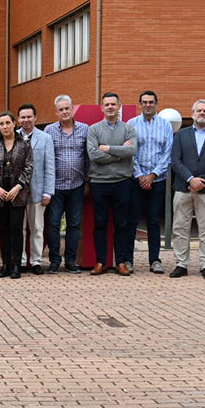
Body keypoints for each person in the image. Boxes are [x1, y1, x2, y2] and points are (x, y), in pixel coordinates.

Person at [170, 99, 205, 280]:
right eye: (199, 110)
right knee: (180, 227)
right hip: (183, 187)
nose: (202, 113)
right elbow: (175, 161)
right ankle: (181, 264)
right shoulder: (181, 135)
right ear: (192, 113)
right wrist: (190, 179)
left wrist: (202, 181)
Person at [86, 92, 137, 276]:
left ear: (119, 106)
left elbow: (131, 151)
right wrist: (119, 153)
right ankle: (101, 261)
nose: (110, 107)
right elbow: (93, 155)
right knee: (100, 223)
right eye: (106, 104)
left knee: (122, 223)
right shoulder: (94, 129)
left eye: (113, 104)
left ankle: (121, 262)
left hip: (122, 182)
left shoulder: (128, 128)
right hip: (99, 183)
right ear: (102, 107)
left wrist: (107, 148)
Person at [127, 90, 173, 274]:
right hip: (136, 180)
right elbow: (130, 153)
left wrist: (153, 175)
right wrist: (140, 176)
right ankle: (128, 261)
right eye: (144, 102)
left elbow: (168, 152)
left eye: (151, 102)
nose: (148, 105)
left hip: (158, 180)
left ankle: (155, 260)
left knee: (154, 221)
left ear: (156, 103)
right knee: (132, 221)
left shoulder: (166, 125)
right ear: (140, 104)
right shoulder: (131, 125)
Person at [45, 95, 89, 274]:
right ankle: (54, 260)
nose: (64, 112)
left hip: (77, 185)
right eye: (60, 109)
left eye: (67, 108)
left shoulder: (85, 129)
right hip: (55, 186)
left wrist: (88, 181)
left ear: (72, 109)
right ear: (56, 112)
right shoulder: (49, 130)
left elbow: (88, 157)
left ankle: (70, 261)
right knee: (53, 223)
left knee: (74, 224)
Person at [0, 111, 34, 279]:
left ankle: (17, 265)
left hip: (17, 193)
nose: (5, 126)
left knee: (16, 229)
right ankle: (5, 264)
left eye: (8, 123)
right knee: (4, 230)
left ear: (14, 123)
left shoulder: (25, 144)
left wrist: (18, 187)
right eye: (1, 124)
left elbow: (29, 167)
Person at [17, 104, 54, 274]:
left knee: (37, 228)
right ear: (18, 119)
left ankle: (36, 261)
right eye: (23, 117)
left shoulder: (45, 138)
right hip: (17, 192)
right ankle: (22, 261)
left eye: (29, 117)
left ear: (35, 118)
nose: (26, 120)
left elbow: (49, 166)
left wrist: (48, 191)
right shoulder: (12, 136)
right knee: (20, 228)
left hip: (38, 191)